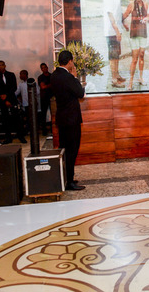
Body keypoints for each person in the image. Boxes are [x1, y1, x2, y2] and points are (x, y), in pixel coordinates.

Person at [51, 50, 86, 191]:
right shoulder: (68, 77)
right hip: (71, 119)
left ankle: (65, 177)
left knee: (64, 149)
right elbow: (80, 93)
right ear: (70, 61)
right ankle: (69, 181)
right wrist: (76, 77)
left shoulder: (54, 76)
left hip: (62, 118)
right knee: (72, 150)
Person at [0, 60, 27, 144]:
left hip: (12, 99)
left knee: (16, 118)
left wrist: (7, 97)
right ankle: (8, 138)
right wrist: (4, 99)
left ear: (5, 66)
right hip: (2, 101)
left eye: (2, 65)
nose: (1, 67)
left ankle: (20, 136)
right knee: (5, 119)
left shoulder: (11, 75)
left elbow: (14, 87)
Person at [123, 0, 148, 90]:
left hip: (143, 34)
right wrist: (125, 25)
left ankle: (141, 78)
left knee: (142, 56)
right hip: (134, 34)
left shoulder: (145, 4)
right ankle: (131, 81)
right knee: (134, 59)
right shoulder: (131, 5)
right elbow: (123, 16)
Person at [103, 0, 126, 88]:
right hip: (111, 32)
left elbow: (118, 13)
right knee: (113, 56)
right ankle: (113, 80)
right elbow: (110, 15)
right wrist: (117, 31)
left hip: (116, 30)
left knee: (117, 54)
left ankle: (117, 75)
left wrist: (123, 25)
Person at [15, 69, 40, 136]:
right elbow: (17, 92)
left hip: (32, 103)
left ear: (25, 75)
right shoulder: (21, 84)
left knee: (33, 118)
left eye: (21, 74)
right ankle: (28, 130)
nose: (20, 76)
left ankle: (34, 130)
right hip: (25, 104)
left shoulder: (32, 82)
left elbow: (37, 92)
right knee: (27, 118)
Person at [38, 63, 53, 136]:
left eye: (45, 67)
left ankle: (53, 129)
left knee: (53, 114)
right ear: (41, 69)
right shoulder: (40, 77)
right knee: (43, 114)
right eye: (42, 68)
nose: (44, 69)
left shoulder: (51, 76)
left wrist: (47, 86)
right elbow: (42, 87)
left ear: (47, 67)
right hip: (44, 98)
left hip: (52, 97)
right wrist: (50, 85)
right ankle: (44, 131)